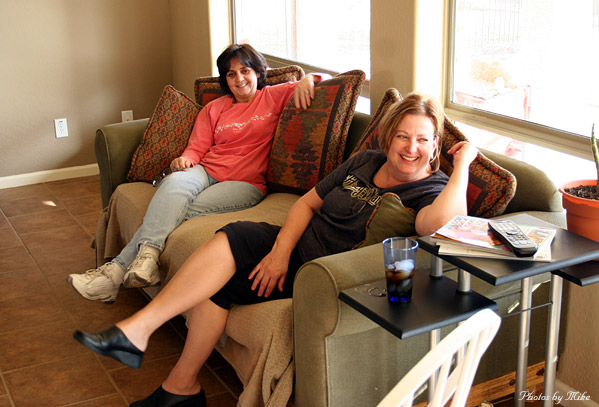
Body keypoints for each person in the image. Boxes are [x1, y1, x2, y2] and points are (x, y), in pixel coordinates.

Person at [72, 93, 478, 407]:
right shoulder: (366, 161)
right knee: (235, 236)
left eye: (423, 139)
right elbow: (305, 204)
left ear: (435, 144)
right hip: (297, 246)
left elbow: (440, 225)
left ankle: (174, 381)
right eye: (403, 136)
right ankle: (155, 352)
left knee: (221, 284)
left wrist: (462, 166)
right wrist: (281, 253)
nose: (410, 147)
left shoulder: (431, 189)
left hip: (324, 275)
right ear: (389, 137)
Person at [67, 43, 324, 303]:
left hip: (243, 183)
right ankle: (146, 260)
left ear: (258, 72)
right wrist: (185, 160)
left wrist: (308, 79)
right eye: (231, 74)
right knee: (174, 183)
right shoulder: (214, 108)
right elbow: (197, 148)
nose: (239, 79)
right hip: (205, 170)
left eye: (245, 71)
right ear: (225, 80)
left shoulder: (271, 96)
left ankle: (113, 274)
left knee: (169, 209)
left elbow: (320, 80)